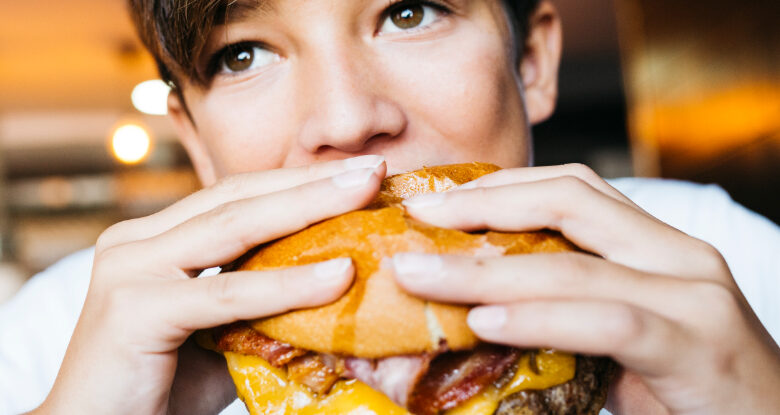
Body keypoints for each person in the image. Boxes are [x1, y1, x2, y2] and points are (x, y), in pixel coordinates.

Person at [1, 0, 778, 414]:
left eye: (411, 11)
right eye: (242, 54)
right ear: (196, 141)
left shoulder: (718, 258)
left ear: (531, 61)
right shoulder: (58, 334)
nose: (346, 120)